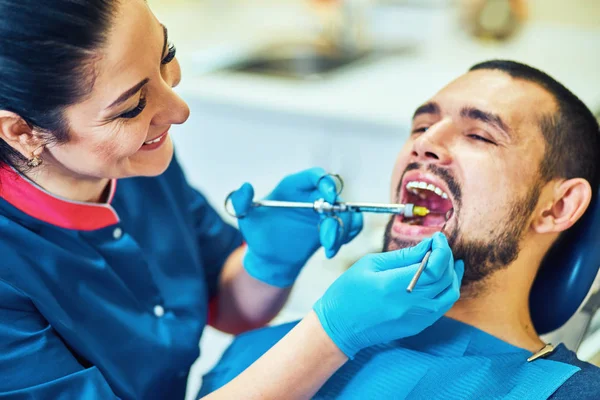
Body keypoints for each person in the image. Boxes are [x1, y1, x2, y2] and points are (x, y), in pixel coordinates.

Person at [0, 1, 466, 399]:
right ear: (22, 132)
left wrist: (267, 261)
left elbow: (223, 305)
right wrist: (333, 333)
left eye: (166, 55)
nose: (179, 111)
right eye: (132, 107)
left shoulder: (133, 164)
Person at [199, 60, 600, 399]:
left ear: (558, 207)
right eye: (420, 126)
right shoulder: (259, 354)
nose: (424, 142)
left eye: (479, 134)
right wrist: (325, 332)